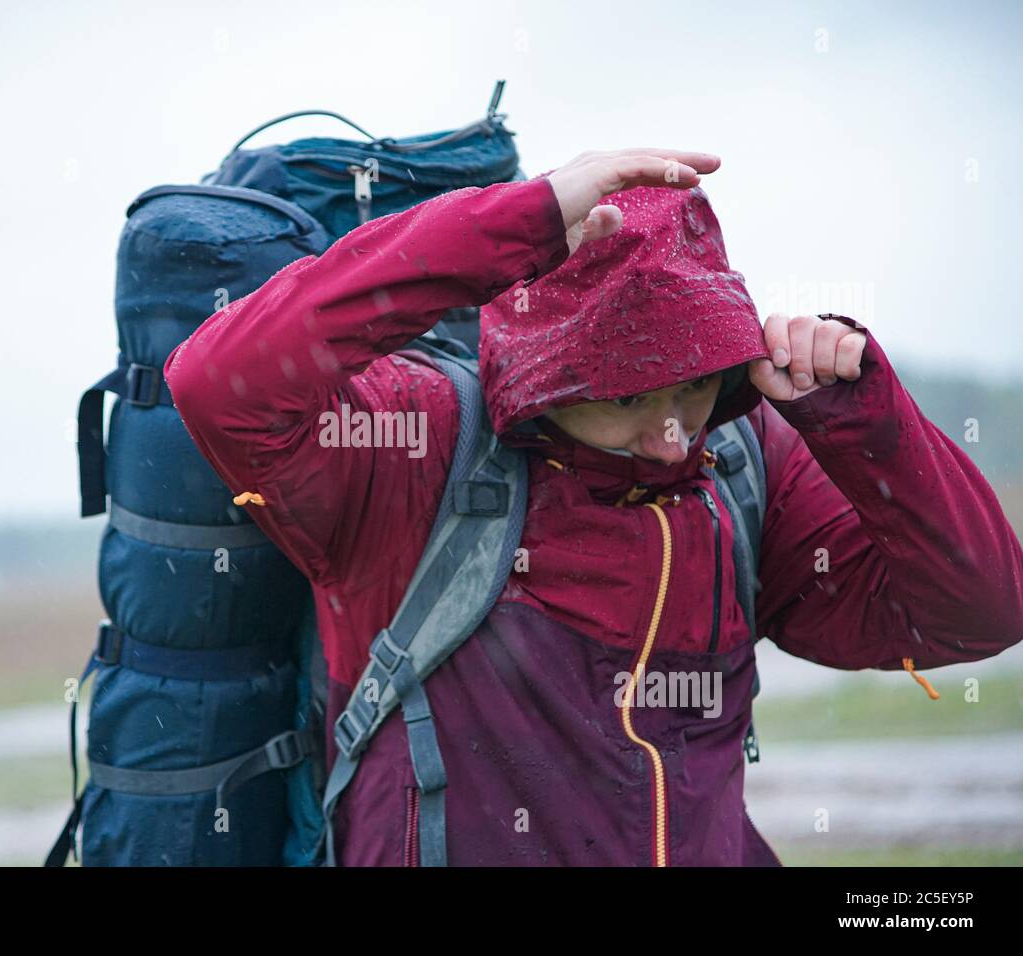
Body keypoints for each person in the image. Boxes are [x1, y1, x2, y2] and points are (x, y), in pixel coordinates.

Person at [164, 148, 1023, 865]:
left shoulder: (743, 460)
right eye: (628, 399)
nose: (672, 436)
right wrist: (520, 222)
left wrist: (868, 425)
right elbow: (216, 382)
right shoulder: (409, 452)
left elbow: (980, 614)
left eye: (692, 386)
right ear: (540, 383)